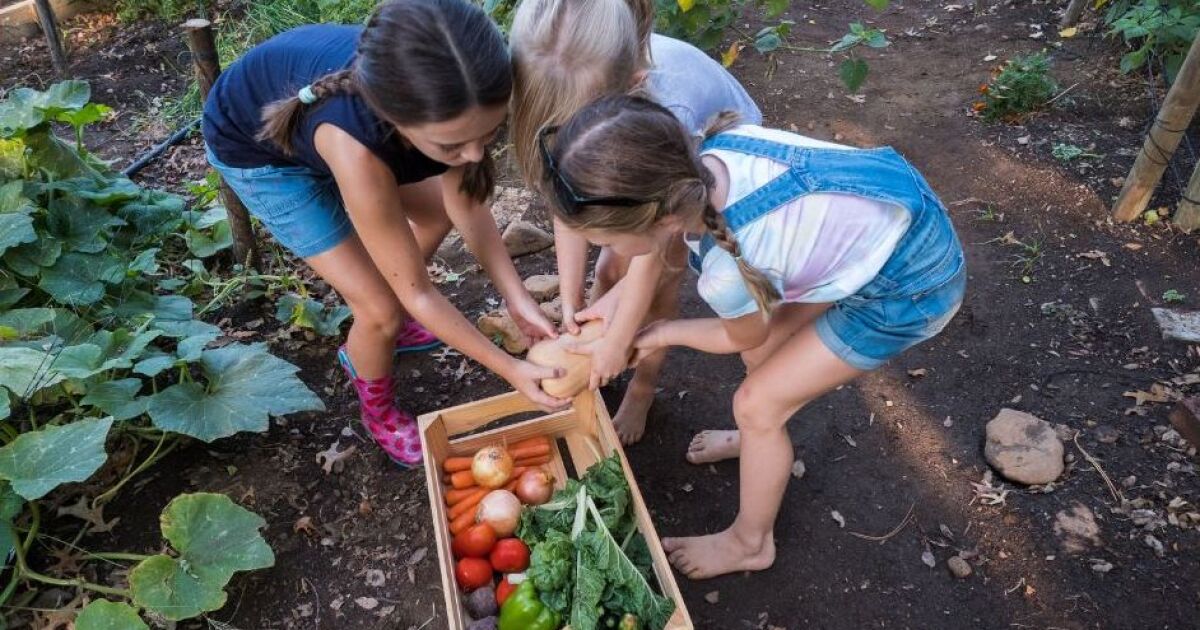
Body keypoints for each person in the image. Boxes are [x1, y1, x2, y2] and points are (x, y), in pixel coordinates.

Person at [538, 95, 966, 579]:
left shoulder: (727, 270)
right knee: (767, 356)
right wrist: (610, 312)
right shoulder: (705, 164)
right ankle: (757, 443)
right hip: (889, 215)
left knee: (757, 404)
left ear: (659, 219)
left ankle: (750, 542)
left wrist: (658, 333)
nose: (608, 254)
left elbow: (737, 335)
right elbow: (657, 254)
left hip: (908, 285)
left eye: (607, 243)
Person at [202, 0, 566, 468]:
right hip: (259, 152)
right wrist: (510, 368)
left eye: (489, 135)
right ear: (396, 120)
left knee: (434, 218)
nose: (475, 154)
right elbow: (419, 293)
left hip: (327, 127)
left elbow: (466, 205)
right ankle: (379, 409)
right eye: (454, 145)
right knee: (379, 310)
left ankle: (386, 313)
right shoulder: (358, 150)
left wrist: (516, 297)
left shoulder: (449, 103)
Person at [509, 0, 762, 445]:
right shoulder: (580, 83)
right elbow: (568, 207)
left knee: (654, 291)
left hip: (699, 175)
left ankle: (643, 388)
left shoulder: (672, 113)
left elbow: (657, 257)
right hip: (639, 174)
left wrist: (622, 331)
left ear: (633, 86)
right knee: (608, 271)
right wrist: (570, 304)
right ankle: (596, 350)